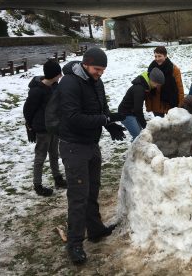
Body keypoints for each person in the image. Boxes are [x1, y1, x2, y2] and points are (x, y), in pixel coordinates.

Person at [57, 47, 126, 265]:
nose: (100, 73)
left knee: (92, 189)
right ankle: (75, 243)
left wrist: (110, 124)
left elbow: (101, 110)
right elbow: (73, 117)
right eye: (97, 69)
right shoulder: (69, 82)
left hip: (91, 144)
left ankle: (95, 229)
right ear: (86, 64)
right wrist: (104, 121)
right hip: (73, 146)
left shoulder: (97, 82)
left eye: (103, 70)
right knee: (78, 196)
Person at [23, 60, 67, 196]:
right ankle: (38, 185)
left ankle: (57, 178)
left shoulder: (55, 86)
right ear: (54, 74)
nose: (60, 76)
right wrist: (30, 127)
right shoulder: (37, 91)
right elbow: (28, 110)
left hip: (54, 126)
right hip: (42, 129)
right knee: (40, 156)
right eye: (59, 73)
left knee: (54, 153)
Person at [118, 68, 165, 141]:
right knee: (138, 137)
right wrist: (145, 125)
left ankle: (135, 149)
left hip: (132, 112)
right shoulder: (139, 89)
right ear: (151, 80)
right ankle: (134, 151)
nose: (156, 86)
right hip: (125, 114)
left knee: (140, 134)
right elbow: (138, 109)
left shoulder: (145, 86)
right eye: (157, 84)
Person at [145, 46, 184, 117]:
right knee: (159, 124)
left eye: (159, 56)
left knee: (170, 123)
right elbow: (148, 85)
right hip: (156, 102)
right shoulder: (151, 67)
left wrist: (180, 104)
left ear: (165, 56)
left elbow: (179, 87)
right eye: (155, 56)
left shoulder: (174, 69)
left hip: (169, 102)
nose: (157, 59)